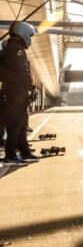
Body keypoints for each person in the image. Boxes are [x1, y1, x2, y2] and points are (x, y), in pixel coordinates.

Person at [0, 22, 39, 165]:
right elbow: (22, 70)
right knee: (15, 123)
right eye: (29, 35)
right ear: (23, 33)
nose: (30, 39)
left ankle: (24, 152)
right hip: (14, 91)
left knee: (22, 122)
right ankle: (10, 155)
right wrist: (31, 87)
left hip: (16, 90)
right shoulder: (16, 49)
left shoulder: (12, 48)